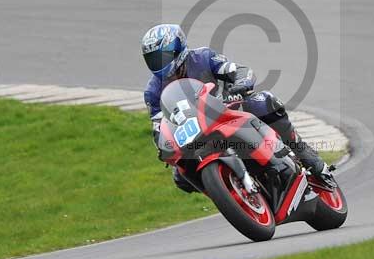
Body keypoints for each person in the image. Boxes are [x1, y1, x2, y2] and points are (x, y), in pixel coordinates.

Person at [141, 23, 331, 192]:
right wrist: (164, 145)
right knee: (180, 176)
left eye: (163, 57)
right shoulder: (153, 91)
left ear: (178, 49)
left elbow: (239, 70)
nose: (160, 64)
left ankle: (303, 152)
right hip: (196, 132)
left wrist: (241, 85)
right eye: (153, 59)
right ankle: (228, 190)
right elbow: (159, 126)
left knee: (264, 102)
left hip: (229, 110)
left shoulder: (203, 57)